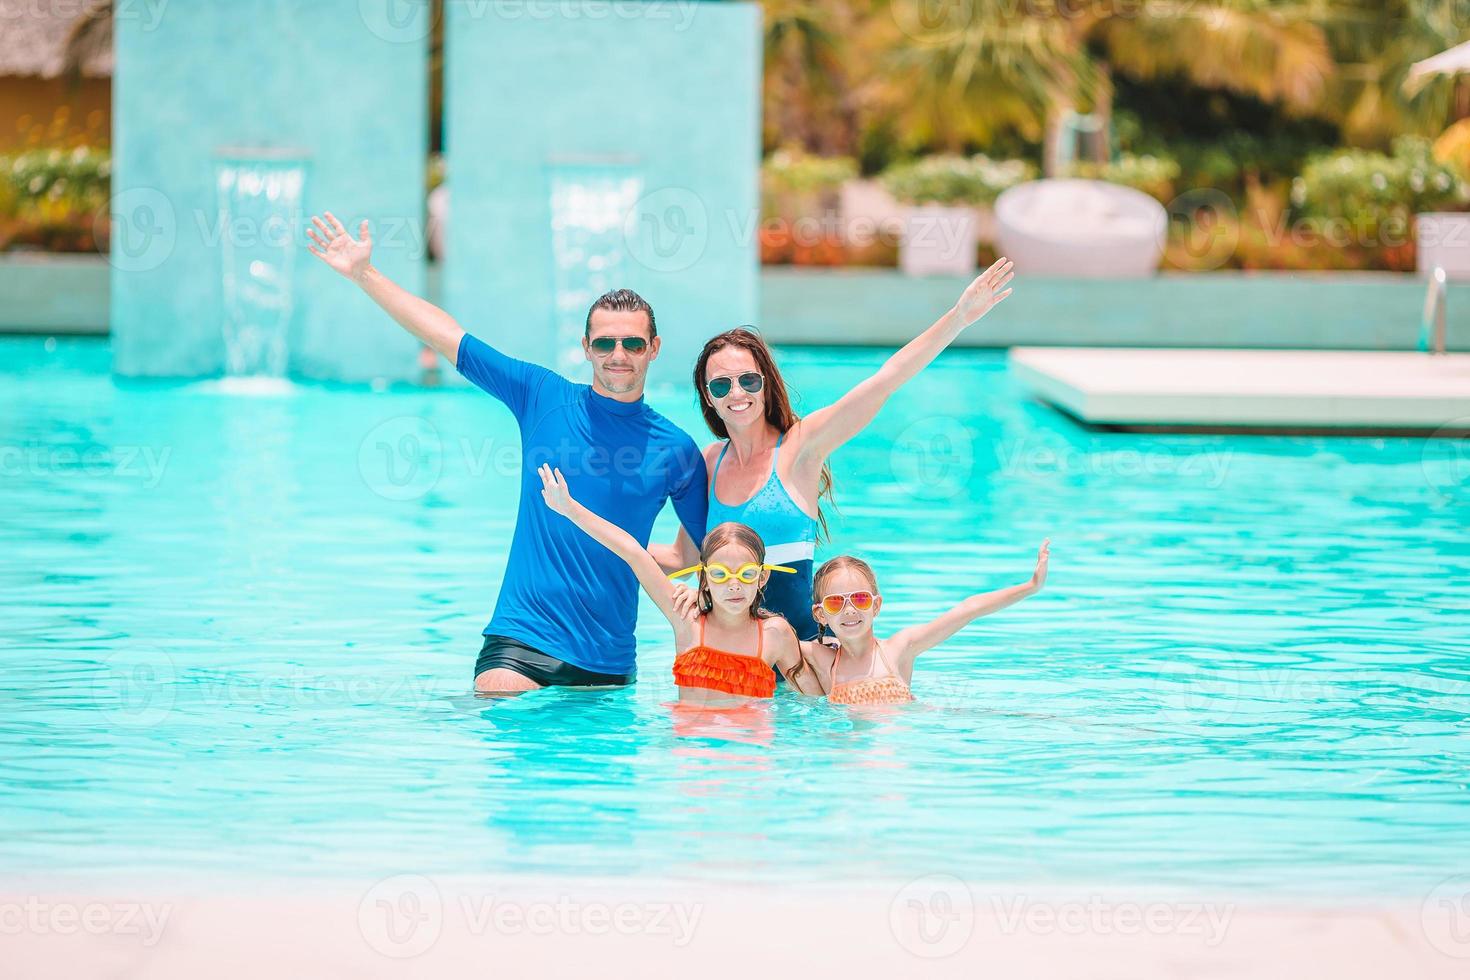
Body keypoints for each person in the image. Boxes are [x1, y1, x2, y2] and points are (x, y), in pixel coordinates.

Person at [306, 211, 708, 692]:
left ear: (654, 348)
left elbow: (704, 555)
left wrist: (622, 548)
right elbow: (445, 335)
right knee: (494, 706)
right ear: (585, 346)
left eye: (632, 343)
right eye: (604, 342)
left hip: (608, 661)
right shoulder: (540, 395)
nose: (617, 354)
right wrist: (364, 273)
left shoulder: (676, 449)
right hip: (520, 643)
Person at [651, 258, 1016, 642]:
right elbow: (683, 560)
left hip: (802, 667)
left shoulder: (801, 446)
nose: (737, 393)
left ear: (766, 383)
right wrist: (594, 531)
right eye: (722, 386)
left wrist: (959, 317)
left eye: (748, 380)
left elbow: (884, 381)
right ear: (709, 398)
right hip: (733, 663)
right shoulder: (708, 463)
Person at [536, 465, 824, 706]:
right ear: (705, 579)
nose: (734, 586)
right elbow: (633, 553)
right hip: (692, 756)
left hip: (750, 758)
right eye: (721, 575)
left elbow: (813, 699)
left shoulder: (774, 633)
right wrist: (570, 509)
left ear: (762, 577)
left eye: (746, 574)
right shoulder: (687, 618)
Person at [807, 541, 1049, 706]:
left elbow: (967, 610)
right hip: (846, 763)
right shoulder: (823, 660)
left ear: (876, 606)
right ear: (820, 614)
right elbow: (775, 635)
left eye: (860, 599)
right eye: (836, 602)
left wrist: (1030, 587)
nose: (849, 609)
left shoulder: (898, 650)